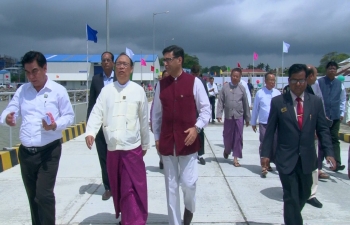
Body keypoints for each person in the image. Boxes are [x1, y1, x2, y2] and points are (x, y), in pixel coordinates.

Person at [0, 51, 74, 225]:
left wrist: (55, 124)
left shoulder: (58, 91)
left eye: (34, 71)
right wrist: (8, 118)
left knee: (44, 195)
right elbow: (9, 110)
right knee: (33, 197)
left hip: (49, 151)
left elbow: (69, 116)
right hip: (26, 153)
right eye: (27, 72)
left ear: (45, 68)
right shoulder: (22, 91)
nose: (31, 76)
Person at [261, 63, 337, 225]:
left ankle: (292, 219)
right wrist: (265, 154)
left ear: (306, 81)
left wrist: (329, 152)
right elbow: (270, 131)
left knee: (304, 193)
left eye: (301, 80)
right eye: (294, 80)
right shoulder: (278, 102)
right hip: (286, 158)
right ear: (289, 81)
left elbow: (323, 130)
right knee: (291, 197)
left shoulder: (315, 102)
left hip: (307, 159)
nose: (298, 84)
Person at [85, 52, 149, 225]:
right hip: (113, 149)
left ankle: (132, 221)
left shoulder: (138, 91)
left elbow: (144, 120)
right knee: (118, 187)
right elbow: (97, 112)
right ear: (114, 67)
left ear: (131, 69)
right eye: (119, 64)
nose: (121, 67)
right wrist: (90, 132)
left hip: (132, 149)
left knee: (130, 189)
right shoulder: (107, 91)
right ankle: (126, 218)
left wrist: (145, 143)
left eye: (125, 64)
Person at [152, 45, 210, 225]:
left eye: (168, 60)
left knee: (188, 183)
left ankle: (189, 208)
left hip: (188, 143)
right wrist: (156, 138)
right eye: (164, 60)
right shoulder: (161, 85)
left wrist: (197, 127)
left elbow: (206, 110)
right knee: (171, 188)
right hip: (168, 143)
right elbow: (156, 115)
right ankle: (175, 222)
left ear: (179, 60)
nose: (165, 64)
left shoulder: (194, 82)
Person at [86, 51, 116, 200]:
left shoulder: (120, 78)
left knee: (116, 157)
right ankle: (108, 187)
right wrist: (89, 128)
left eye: (108, 60)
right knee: (103, 157)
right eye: (103, 60)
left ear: (113, 62)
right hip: (100, 127)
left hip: (116, 126)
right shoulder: (96, 80)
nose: (105, 62)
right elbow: (91, 104)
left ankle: (118, 186)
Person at [216, 68, 251, 167]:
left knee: (238, 137)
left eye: (237, 76)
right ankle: (227, 150)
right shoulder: (225, 88)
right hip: (228, 116)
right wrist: (219, 114)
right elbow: (220, 102)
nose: (235, 78)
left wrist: (247, 118)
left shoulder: (242, 89)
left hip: (239, 116)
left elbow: (245, 104)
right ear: (231, 76)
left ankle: (235, 158)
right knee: (227, 136)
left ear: (240, 78)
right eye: (233, 76)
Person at [318, 61, 346, 172]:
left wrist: (341, 113)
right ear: (326, 70)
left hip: (335, 116)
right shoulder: (319, 82)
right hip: (322, 116)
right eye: (330, 68)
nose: (332, 70)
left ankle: (337, 163)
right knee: (322, 139)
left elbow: (343, 99)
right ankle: (319, 163)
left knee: (334, 139)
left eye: (334, 68)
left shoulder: (340, 84)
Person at [250, 72, 280, 176]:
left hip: (276, 123)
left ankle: (270, 162)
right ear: (265, 81)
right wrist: (253, 122)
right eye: (270, 80)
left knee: (275, 144)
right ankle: (264, 165)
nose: (272, 82)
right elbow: (255, 109)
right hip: (264, 123)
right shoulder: (260, 93)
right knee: (264, 143)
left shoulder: (277, 93)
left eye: (274, 80)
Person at [150, 69, 170, 169]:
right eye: (164, 76)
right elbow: (154, 106)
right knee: (159, 143)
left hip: (169, 122)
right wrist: (152, 121)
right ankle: (161, 159)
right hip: (160, 121)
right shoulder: (159, 87)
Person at [191, 64, 209, 165]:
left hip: (198, 112)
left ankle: (200, 153)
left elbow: (204, 98)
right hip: (191, 111)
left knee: (199, 131)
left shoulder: (201, 82)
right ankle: (198, 153)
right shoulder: (188, 81)